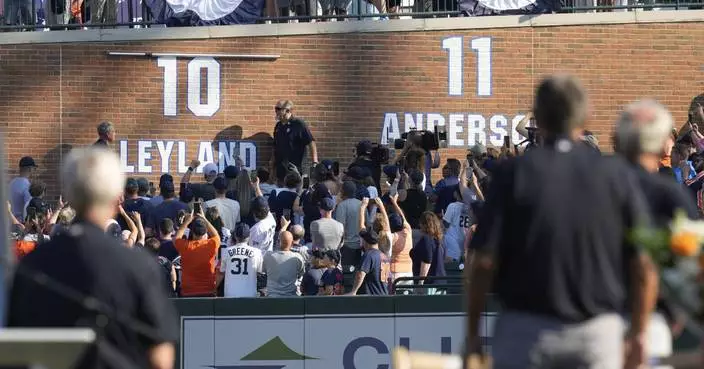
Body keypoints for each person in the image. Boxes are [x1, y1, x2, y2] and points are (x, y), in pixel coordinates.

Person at [465, 75, 657, 369]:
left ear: (538, 118)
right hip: (597, 334)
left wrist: (472, 333)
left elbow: (484, 262)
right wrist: (639, 333)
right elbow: (643, 264)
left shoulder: (514, 173)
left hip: (526, 331)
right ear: (586, 115)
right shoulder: (616, 175)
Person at [7, 147, 177, 369]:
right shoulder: (139, 265)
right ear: (117, 195)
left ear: (70, 193)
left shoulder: (34, 264)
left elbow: (17, 350)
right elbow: (161, 357)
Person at [614, 99, 700, 348]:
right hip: (653, 318)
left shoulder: (591, 187)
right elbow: (693, 261)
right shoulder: (669, 194)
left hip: (597, 316)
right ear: (664, 144)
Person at [174, 208, 222, 297]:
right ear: (205, 232)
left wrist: (187, 221)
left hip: (188, 292)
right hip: (208, 291)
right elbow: (216, 235)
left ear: (192, 232)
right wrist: (204, 218)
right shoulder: (211, 244)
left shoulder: (186, 246)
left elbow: (177, 237)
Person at [270, 100, 319, 185]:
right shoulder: (278, 126)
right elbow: (275, 146)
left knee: (301, 193)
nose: (276, 111)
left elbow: (311, 142)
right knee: (282, 193)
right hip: (282, 170)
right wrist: (272, 163)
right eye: (275, 109)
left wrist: (315, 162)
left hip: (298, 170)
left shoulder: (299, 124)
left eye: (278, 109)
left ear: (288, 110)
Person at [217, 224, 264, 298]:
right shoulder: (257, 252)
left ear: (235, 236)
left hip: (230, 295)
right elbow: (260, 272)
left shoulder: (226, 251)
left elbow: (221, 272)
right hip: (249, 295)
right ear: (249, 237)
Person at [262, 217, 305, 297]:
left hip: (272, 297)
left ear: (278, 242)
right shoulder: (298, 258)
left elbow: (264, 270)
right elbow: (301, 274)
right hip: (291, 297)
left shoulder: (268, 256)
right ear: (292, 243)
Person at [346, 227, 389, 296]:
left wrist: (354, 291)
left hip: (371, 299)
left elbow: (360, 274)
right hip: (384, 296)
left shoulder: (369, 255)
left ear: (366, 242)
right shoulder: (385, 256)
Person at [387, 193, 413, 293]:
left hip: (395, 273)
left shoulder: (392, 237)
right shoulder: (408, 232)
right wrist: (395, 203)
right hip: (408, 272)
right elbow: (403, 218)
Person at [334, 181, 363, 267]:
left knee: (346, 274)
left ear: (343, 192)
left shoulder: (342, 205)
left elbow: (340, 227)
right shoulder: (361, 204)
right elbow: (368, 223)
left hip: (347, 246)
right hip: (361, 246)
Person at [442, 186, 470, 262]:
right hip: (465, 241)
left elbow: (446, 224)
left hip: (452, 240)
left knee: (450, 266)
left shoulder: (453, 206)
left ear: (456, 194)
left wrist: (442, 218)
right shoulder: (471, 208)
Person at [249, 180, 277, 253]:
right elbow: (261, 199)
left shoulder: (257, 229)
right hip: (269, 256)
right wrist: (256, 187)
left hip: (260, 260)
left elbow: (253, 251)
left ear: (254, 212)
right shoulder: (271, 219)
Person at [9, 156, 37, 221]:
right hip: (20, 224)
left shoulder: (12, 183)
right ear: (30, 169)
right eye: (34, 168)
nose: (34, 170)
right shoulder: (27, 186)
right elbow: (29, 207)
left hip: (9, 222)